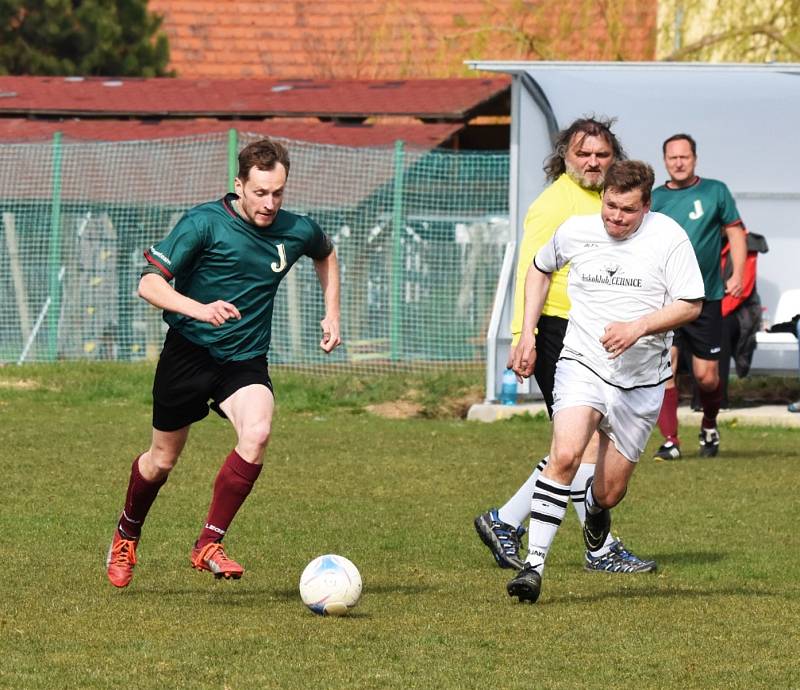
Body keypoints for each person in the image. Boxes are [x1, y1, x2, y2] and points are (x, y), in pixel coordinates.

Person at [105, 138, 341, 588]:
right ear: (239, 185)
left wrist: (332, 312)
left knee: (258, 432)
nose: (270, 204)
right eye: (260, 193)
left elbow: (325, 253)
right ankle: (126, 534)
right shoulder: (204, 224)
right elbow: (148, 285)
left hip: (244, 359)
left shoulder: (296, 230)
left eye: (278, 193)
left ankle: (208, 543)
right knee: (161, 461)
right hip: (189, 352)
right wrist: (201, 308)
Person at [506, 160, 704, 603]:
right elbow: (538, 269)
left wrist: (639, 327)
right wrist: (527, 333)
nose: (616, 218)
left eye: (627, 211)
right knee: (565, 453)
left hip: (640, 381)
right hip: (583, 362)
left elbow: (691, 303)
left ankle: (595, 515)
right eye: (610, 207)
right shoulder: (576, 230)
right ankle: (532, 567)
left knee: (609, 492)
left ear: (646, 206)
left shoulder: (668, 237)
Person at [474, 117, 657, 575]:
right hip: (559, 331)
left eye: (601, 154)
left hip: (597, 334)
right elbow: (529, 272)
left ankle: (505, 519)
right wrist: (524, 336)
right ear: (565, 158)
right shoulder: (554, 204)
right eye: (583, 154)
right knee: (582, 445)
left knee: (578, 444)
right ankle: (599, 547)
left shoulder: (613, 202)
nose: (593, 162)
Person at [651, 133, 747, 460]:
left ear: (694, 158)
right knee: (667, 367)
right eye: (672, 157)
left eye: (685, 157)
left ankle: (708, 423)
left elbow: (735, 230)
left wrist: (739, 273)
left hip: (706, 299)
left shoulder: (715, 191)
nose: (679, 162)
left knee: (707, 378)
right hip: (666, 300)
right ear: (665, 160)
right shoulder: (655, 199)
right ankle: (671, 441)